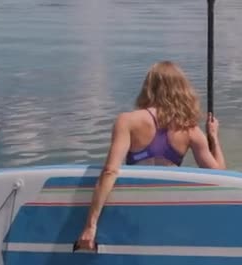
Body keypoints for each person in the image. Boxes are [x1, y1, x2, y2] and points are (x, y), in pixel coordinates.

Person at [74, 61, 226, 251]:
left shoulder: (128, 121)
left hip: (133, 208)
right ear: (182, 90)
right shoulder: (190, 130)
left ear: (149, 87)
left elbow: (110, 171)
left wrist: (90, 225)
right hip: (167, 212)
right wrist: (214, 137)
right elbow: (220, 176)